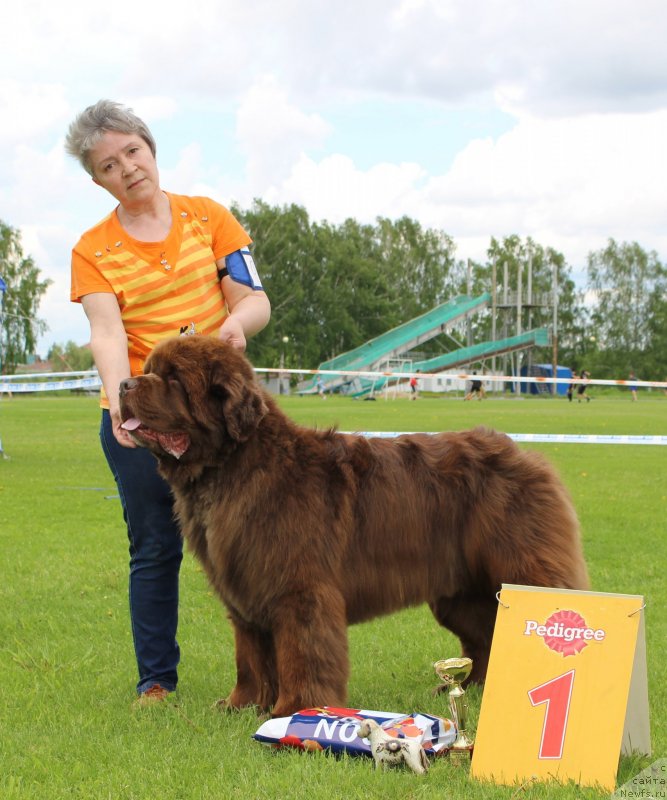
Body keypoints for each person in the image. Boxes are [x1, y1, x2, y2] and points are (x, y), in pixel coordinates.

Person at [65, 100, 271, 704]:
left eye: (132, 151)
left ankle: (258, 677)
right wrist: (118, 401)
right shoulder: (91, 250)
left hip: (219, 421)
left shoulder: (210, 217)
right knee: (155, 548)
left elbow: (254, 300)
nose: (126, 168)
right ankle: (156, 680)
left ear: (151, 149)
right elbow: (107, 332)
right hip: (144, 421)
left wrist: (236, 324)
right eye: (108, 165)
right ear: (98, 181)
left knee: (255, 545)